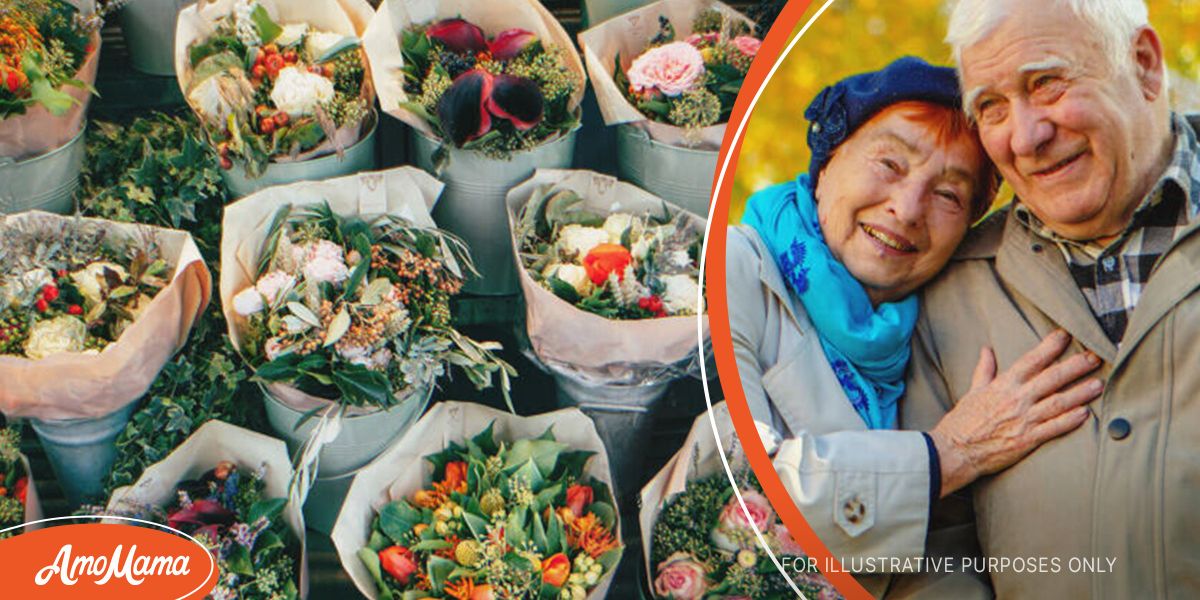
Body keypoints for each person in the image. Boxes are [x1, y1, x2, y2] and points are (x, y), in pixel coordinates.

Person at [726, 57, 1103, 597]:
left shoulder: (934, 331)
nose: (906, 209)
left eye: (949, 195)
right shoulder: (733, 268)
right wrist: (950, 454)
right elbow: (739, 495)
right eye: (890, 164)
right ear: (828, 160)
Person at [904, 0, 1200, 596]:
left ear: (1143, 64)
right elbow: (926, 559)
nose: (1028, 136)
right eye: (991, 107)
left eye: (1048, 83)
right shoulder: (944, 290)